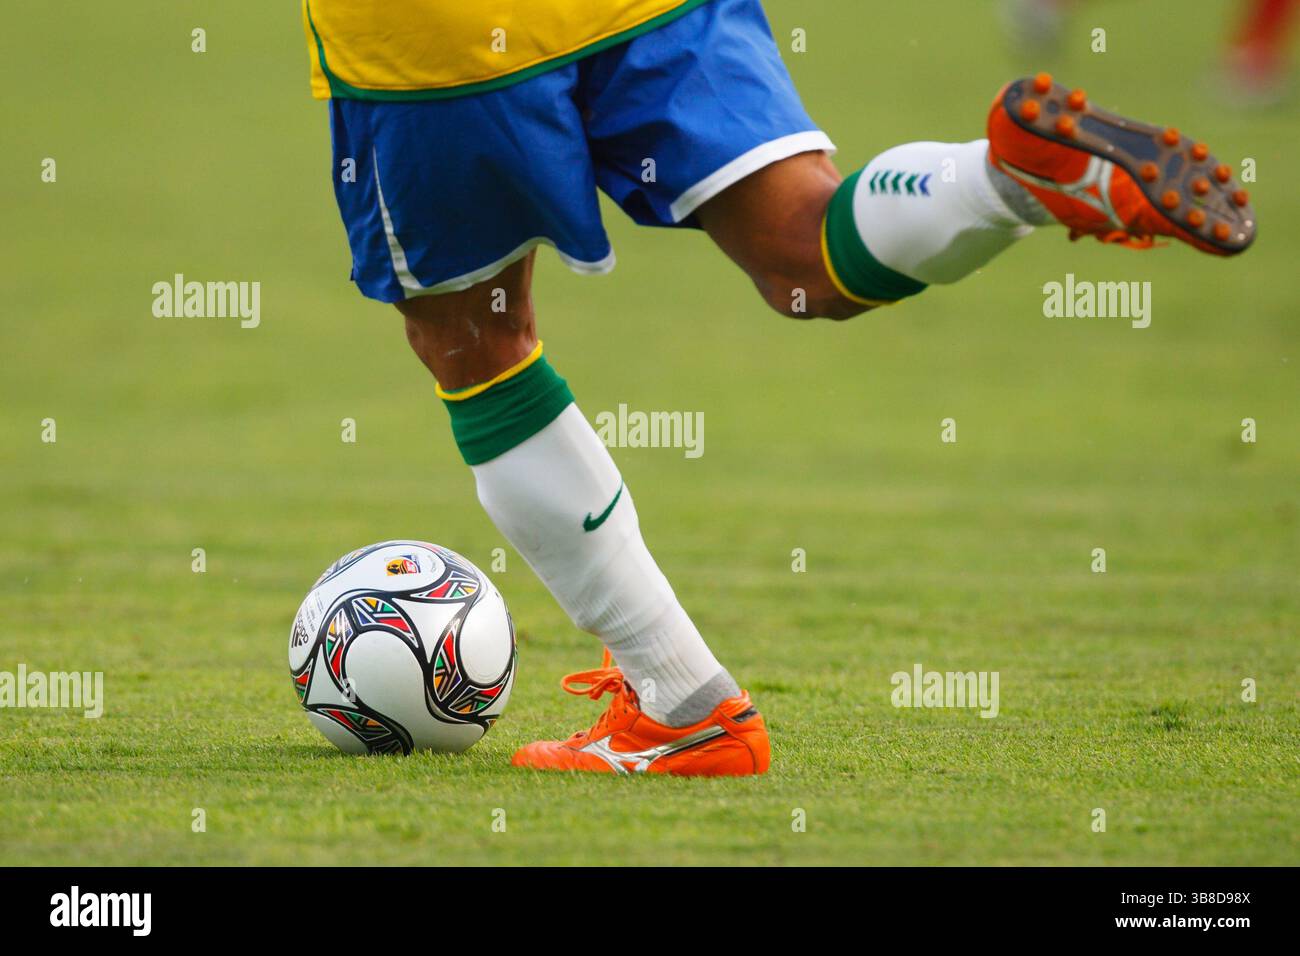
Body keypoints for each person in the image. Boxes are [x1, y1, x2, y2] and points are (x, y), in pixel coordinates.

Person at [302, 0, 1256, 775]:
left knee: (476, 340)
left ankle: (682, 706)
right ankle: (999, 180)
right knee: (806, 250)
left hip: (442, 36)